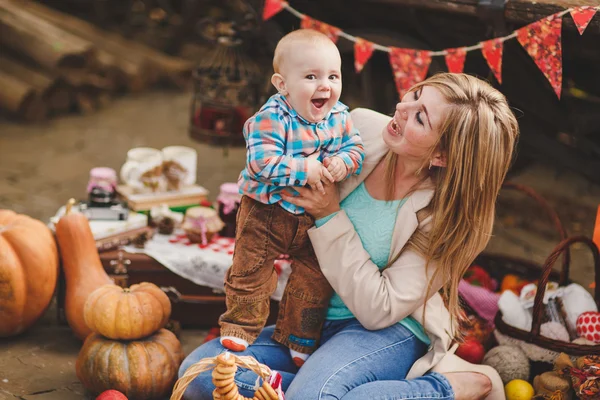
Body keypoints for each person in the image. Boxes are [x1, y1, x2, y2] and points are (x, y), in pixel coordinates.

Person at [180, 72, 518, 400]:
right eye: (415, 95)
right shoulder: (358, 127)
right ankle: (338, 391)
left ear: (442, 155)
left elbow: (379, 309)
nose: (401, 108)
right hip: (311, 316)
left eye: (420, 118)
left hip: (387, 331)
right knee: (199, 372)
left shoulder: (450, 218)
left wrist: (329, 215)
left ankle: (446, 389)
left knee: (308, 395)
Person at [218, 28, 365, 367]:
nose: (324, 85)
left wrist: (343, 162)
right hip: (265, 212)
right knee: (251, 269)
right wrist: (306, 170)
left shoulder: (340, 116)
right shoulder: (272, 118)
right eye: (311, 76)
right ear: (282, 84)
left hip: (310, 216)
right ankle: (241, 325)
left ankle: (299, 336)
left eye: (333, 75)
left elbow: (356, 147)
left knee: (314, 274)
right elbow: (260, 163)